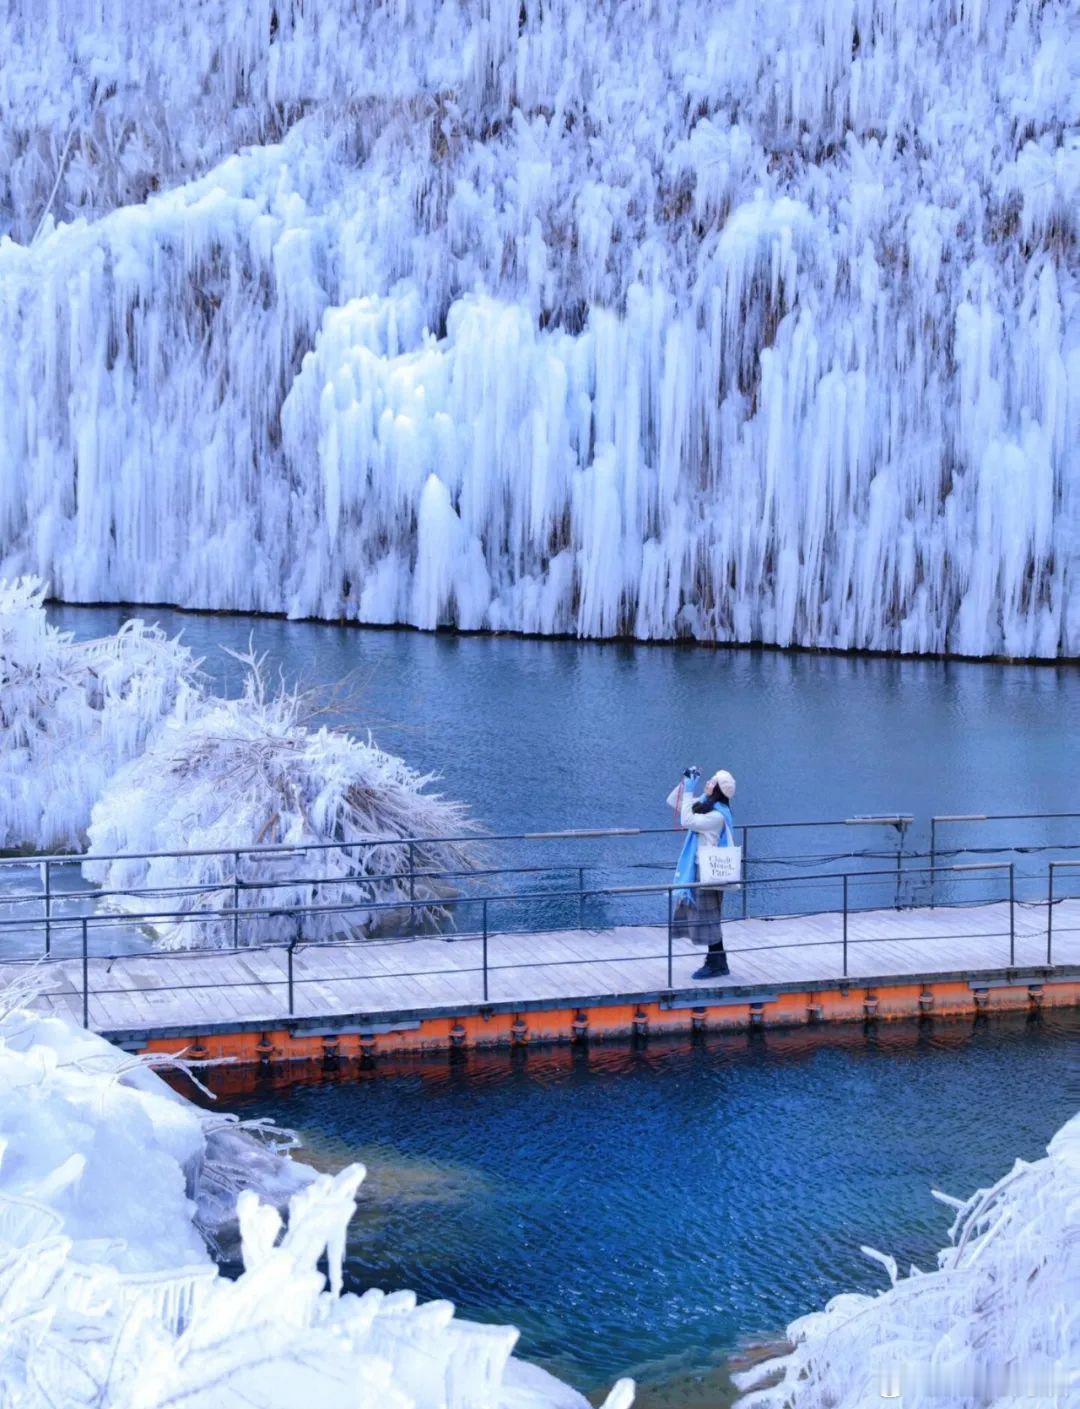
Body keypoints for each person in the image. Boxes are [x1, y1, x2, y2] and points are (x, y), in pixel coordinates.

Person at [665, 766, 737, 979]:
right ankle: (717, 960)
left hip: (707, 872)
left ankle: (716, 964)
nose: (708, 782)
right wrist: (686, 783)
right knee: (707, 917)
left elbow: (686, 820)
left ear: (718, 790)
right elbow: (673, 802)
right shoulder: (707, 806)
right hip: (700, 869)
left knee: (708, 917)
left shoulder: (716, 816)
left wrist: (690, 791)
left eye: (712, 782)